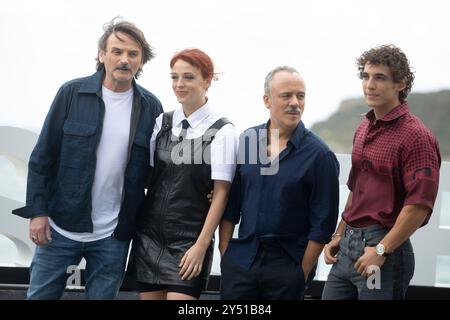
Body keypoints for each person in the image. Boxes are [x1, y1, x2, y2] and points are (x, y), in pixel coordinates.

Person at [11, 18, 163, 299]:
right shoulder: (72, 93)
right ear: (102, 55)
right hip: (58, 226)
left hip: (113, 235)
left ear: (142, 61)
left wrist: (204, 188)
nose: (124, 60)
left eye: (133, 54)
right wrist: (38, 212)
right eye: (117, 51)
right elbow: (42, 156)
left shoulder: (151, 107)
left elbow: (159, 170)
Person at [321, 44, 441, 300]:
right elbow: (357, 188)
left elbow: (419, 206)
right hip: (348, 246)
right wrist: (339, 234)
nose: (369, 85)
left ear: (401, 83)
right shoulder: (364, 126)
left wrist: (382, 249)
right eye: (365, 76)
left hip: (383, 251)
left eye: (380, 78)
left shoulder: (416, 136)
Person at [219, 66, 340, 300]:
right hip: (242, 262)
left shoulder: (320, 155)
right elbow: (231, 207)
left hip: (288, 267)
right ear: (267, 100)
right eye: (286, 95)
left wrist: (301, 272)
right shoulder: (248, 141)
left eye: (301, 96)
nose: (295, 102)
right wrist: (225, 255)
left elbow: (323, 222)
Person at [126, 48, 238, 300]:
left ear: (207, 80)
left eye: (188, 77)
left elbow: (222, 193)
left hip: (189, 240)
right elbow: (150, 177)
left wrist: (201, 245)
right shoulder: (162, 123)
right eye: (174, 77)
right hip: (149, 237)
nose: (179, 84)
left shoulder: (222, 131)